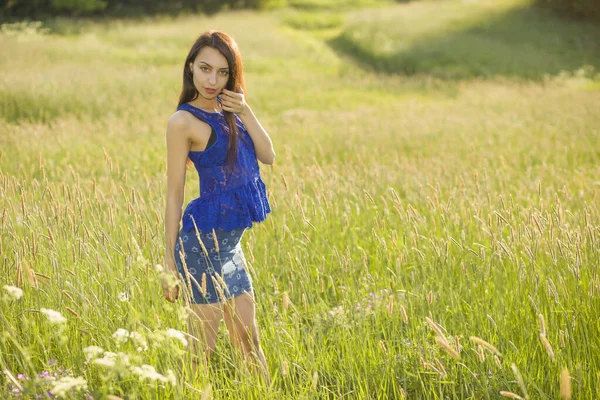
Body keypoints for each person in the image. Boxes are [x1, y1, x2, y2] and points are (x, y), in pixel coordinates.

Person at [161, 30, 275, 384]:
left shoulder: (233, 110)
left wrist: (246, 109)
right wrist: (168, 261)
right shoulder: (182, 122)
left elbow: (269, 155)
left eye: (223, 72)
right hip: (200, 246)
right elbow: (174, 193)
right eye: (206, 69)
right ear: (191, 67)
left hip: (230, 249)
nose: (213, 80)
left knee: (250, 345)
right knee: (200, 354)